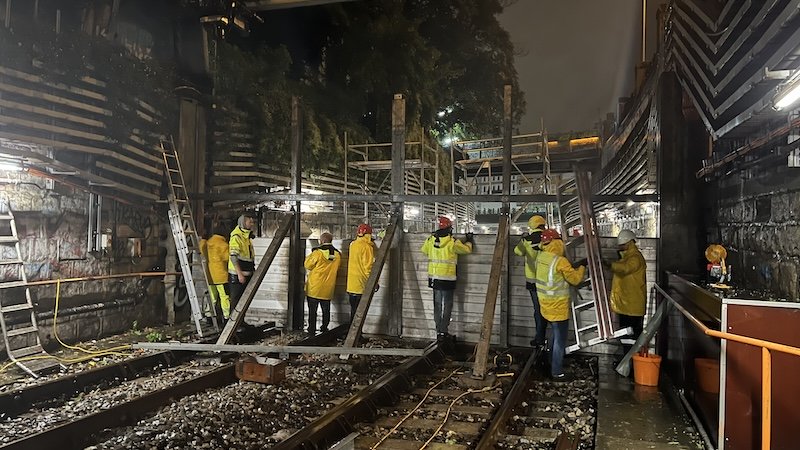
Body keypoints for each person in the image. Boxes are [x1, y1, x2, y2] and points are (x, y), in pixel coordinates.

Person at [535, 229, 586, 380]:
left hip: (545, 304)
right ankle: (557, 371)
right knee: (560, 340)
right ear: (557, 242)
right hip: (558, 306)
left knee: (553, 335)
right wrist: (582, 266)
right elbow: (575, 279)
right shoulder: (560, 261)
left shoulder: (541, 257)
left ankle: (551, 361)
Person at [420, 216, 473, 340]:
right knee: (447, 304)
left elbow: (424, 250)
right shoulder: (452, 242)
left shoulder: (430, 240)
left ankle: (439, 330)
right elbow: (467, 250)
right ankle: (444, 331)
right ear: (449, 229)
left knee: (437, 305)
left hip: (434, 278)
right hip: (448, 279)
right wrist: (469, 240)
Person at [606, 229, 647, 356]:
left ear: (629, 243)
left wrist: (610, 265)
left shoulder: (635, 258)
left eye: (622, 245)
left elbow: (625, 269)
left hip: (632, 307)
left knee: (631, 338)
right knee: (626, 337)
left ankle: (631, 365)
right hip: (627, 305)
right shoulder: (627, 257)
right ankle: (627, 364)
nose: (620, 247)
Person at [514, 214, 547, 347]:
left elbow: (517, 251)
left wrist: (523, 239)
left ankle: (539, 338)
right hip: (548, 282)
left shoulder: (526, 240)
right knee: (548, 310)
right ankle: (543, 337)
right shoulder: (548, 239)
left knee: (537, 310)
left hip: (533, 282)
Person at [304, 232, 342, 334]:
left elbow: (307, 265)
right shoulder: (337, 255)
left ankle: (311, 329)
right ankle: (324, 328)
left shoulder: (317, 253)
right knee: (326, 310)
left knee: (313, 310)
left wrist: (311, 253)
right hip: (328, 288)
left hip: (314, 288)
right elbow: (337, 268)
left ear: (323, 241)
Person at [346, 223, 377, 322]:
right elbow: (368, 268)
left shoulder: (353, 245)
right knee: (359, 314)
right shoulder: (367, 247)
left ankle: (352, 334)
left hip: (351, 285)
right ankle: (356, 336)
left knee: (353, 311)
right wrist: (374, 282)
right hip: (361, 285)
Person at [228, 212, 257, 312]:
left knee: (243, 301)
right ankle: (233, 324)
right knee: (236, 302)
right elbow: (233, 257)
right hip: (237, 276)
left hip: (246, 273)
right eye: (250, 222)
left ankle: (241, 323)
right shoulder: (237, 236)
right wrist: (240, 274)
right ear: (244, 222)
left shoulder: (246, 237)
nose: (252, 224)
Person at [205, 227, 231, 321]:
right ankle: (227, 316)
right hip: (221, 276)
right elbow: (227, 258)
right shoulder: (223, 244)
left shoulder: (207, 243)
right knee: (224, 296)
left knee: (212, 297)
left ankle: (208, 316)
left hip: (209, 276)